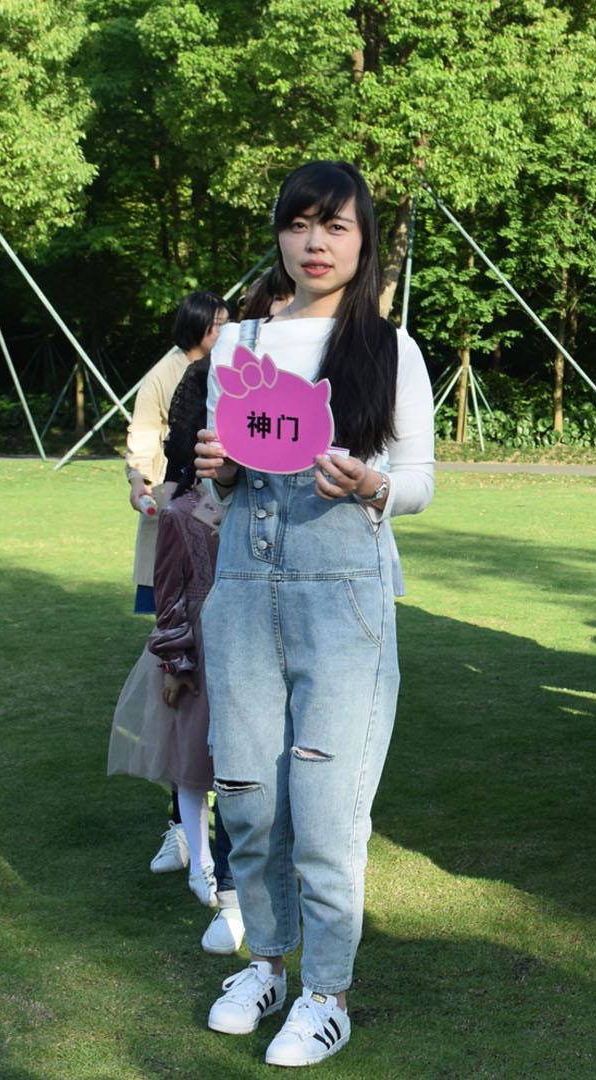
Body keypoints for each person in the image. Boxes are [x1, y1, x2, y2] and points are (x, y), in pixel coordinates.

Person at [193, 160, 437, 1066]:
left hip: (345, 594)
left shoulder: (388, 346)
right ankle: (266, 959)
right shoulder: (239, 341)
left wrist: (372, 483)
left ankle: (325, 991)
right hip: (244, 588)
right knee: (251, 796)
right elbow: (224, 468)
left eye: (335, 225)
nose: (316, 243)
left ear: (364, 238)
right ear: (280, 237)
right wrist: (217, 463)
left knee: (327, 807)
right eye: (299, 225)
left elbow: (418, 483)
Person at [108, 359, 243, 953]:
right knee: (191, 764)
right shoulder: (183, 512)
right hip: (197, 656)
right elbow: (169, 596)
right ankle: (199, 862)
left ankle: (237, 867)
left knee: (239, 767)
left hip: (246, 653)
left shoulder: (253, 509)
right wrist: (174, 660)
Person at [125, 292, 229, 877]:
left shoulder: (232, 366)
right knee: (182, 694)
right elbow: (143, 447)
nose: (227, 329)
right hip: (178, 527)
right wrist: (143, 488)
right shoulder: (168, 375)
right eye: (219, 323)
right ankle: (183, 832)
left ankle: (209, 839)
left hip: (212, 530)